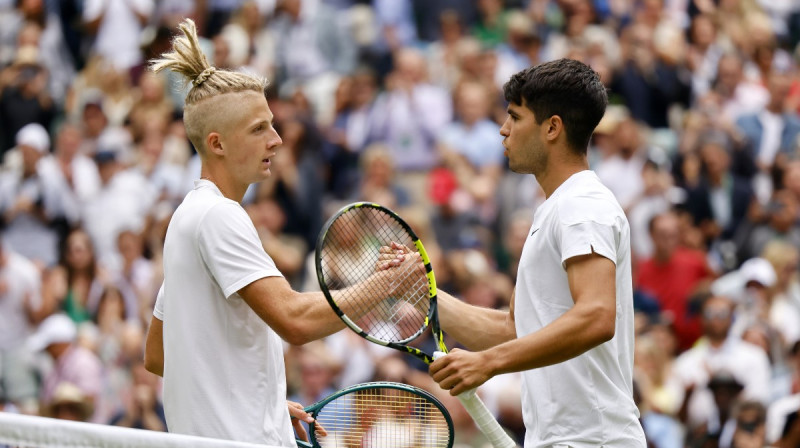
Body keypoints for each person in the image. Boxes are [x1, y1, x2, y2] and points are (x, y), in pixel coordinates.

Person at [142, 19, 416, 447]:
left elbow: (158, 355)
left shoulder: (186, 218)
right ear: (217, 144)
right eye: (258, 129)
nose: (276, 140)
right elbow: (294, 320)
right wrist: (386, 284)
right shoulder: (219, 217)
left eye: (272, 124)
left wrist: (263, 402)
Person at [422, 59, 647, 446]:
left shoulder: (582, 205)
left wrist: (487, 364)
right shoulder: (556, 208)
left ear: (552, 128)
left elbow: (596, 316)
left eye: (515, 116)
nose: (503, 129)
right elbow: (513, 330)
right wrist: (421, 292)